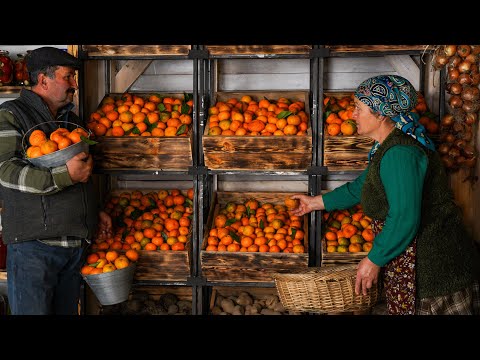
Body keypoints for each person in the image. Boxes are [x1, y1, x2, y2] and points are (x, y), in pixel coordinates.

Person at [291, 75, 479, 315]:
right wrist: (315, 203)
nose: (352, 115)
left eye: (359, 109)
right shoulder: (387, 147)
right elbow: (364, 186)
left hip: (435, 269)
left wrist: (373, 261)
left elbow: (403, 218)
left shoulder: (400, 154)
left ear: (380, 115)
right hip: (416, 264)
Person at [0, 47, 112, 315]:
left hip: (72, 249)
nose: (74, 84)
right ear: (43, 80)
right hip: (35, 250)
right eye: (68, 77)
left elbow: (80, 173)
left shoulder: (70, 121)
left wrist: (94, 211)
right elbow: (5, 169)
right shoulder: (12, 114)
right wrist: (64, 175)